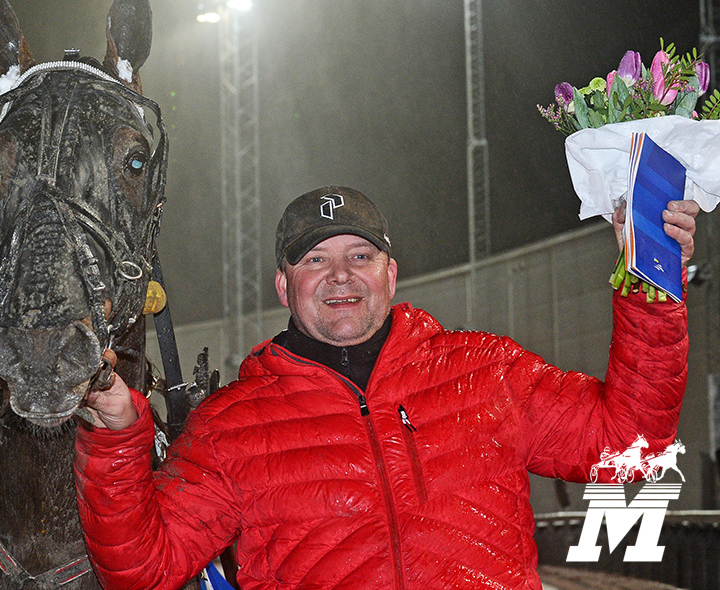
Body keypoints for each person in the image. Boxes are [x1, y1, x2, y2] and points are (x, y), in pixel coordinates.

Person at [75, 185, 697, 589]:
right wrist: (115, 439)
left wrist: (652, 279)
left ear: (391, 274)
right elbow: (141, 569)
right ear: (284, 287)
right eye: (314, 259)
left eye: (360, 256)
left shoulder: (486, 371)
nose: (340, 274)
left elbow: (632, 442)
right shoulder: (233, 424)